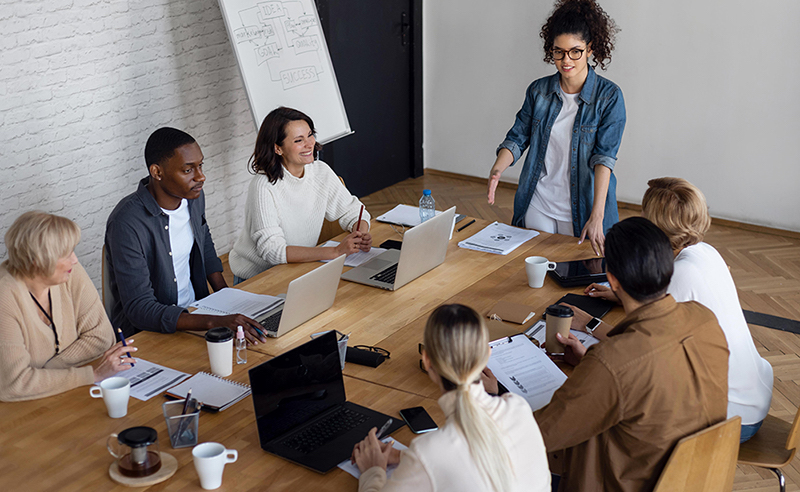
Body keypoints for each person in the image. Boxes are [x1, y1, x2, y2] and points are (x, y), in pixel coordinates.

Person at [534, 217, 729, 491]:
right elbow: (656, 374)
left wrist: (493, 395)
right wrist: (591, 367)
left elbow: (541, 435)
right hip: (696, 477)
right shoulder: (705, 319)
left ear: (611, 279)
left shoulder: (613, 362)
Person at [579, 177, 773, 442]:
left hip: (732, 417)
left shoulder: (680, 274)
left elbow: (636, 348)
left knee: (617, 414)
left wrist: (587, 324)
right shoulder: (705, 252)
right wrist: (622, 294)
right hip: (753, 393)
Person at [351, 304, 550, 492]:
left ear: (426, 360)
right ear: (487, 355)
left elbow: (448, 457)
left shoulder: (429, 451)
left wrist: (373, 470)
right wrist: (404, 457)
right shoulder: (518, 407)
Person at [487, 0, 625, 256]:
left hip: (583, 207)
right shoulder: (539, 91)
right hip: (538, 202)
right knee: (532, 273)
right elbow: (518, 137)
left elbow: (604, 160)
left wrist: (597, 216)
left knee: (577, 278)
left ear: (590, 49)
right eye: (558, 52)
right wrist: (498, 169)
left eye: (575, 51)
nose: (566, 60)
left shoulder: (609, 97)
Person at [105, 127, 265, 342]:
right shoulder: (127, 222)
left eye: (200, 165)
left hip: (196, 312)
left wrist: (228, 299)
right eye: (188, 170)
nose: (201, 176)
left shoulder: (193, 197)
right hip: (151, 334)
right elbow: (140, 309)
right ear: (157, 172)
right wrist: (214, 322)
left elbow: (204, 242)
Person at [0, 212, 136, 401]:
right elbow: (14, 384)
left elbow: (102, 337)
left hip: (62, 395)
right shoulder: (5, 297)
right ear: (37, 261)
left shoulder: (70, 273)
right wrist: (92, 375)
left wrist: (44, 372)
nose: (75, 260)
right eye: (66, 254)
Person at [229, 107, 371, 282]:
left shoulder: (320, 171)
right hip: (259, 278)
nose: (309, 144)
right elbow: (272, 251)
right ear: (277, 148)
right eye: (298, 140)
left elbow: (354, 211)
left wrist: (360, 234)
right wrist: (335, 251)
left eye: (310, 135)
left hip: (298, 268)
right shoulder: (263, 186)